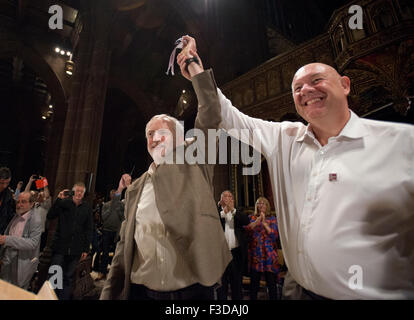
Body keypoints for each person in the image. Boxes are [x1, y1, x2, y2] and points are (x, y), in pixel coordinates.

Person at [177, 36, 414, 299]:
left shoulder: (402, 143)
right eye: (297, 88)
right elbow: (228, 116)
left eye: (316, 81)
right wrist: (195, 68)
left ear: (345, 85)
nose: (306, 91)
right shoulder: (284, 138)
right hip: (298, 290)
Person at [100, 66, 232, 300]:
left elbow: (211, 116)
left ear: (180, 140)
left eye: (160, 131)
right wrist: (108, 294)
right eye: (149, 134)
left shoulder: (195, 165)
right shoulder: (135, 189)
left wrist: (195, 70)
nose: (153, 138)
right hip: (142, 292)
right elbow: (123, 249)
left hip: (191, 293)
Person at [47, 182, 93, 300]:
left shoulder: (87, 208)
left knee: (68, 277)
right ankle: (51, 297)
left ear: (84, 194)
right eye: (77, 191)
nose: (79, 193)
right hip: (60, 247)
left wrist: (85, 249)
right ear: (72, 192)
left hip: (75, 249)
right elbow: (50, 215)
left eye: (81, 191)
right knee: (54, 274)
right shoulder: (64, 203)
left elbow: (88, 229)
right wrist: (58, 199)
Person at [0, 191, 42, 289]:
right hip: (8, 257)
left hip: (22, 260)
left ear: (31, 204)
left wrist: (7, 240)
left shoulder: (35, 219)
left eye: (23, 202)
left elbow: (33, 243)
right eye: (18, 202)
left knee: (17, 291)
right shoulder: (17, 215)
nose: (19, 205)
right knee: (4, 288)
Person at [244, 197, 281, 300]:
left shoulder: (272, 219)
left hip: (269, 255)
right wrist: (257, 221)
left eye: (263, 203)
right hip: (256, 254)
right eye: (258, 203)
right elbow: (247, 231)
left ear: (267, 206)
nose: (261, 205)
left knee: (271, 283)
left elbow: (274, 236)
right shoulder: (251, 217)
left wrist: (264, 223)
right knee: (254, 284)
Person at [95, 174, 130, 281]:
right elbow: (104, 218)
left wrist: (118, 210)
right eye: (113, 194)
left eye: (116, 194)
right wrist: (111, 208)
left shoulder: (121, 205)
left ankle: (114, 273)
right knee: (104, 252)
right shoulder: (105, 205)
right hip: (106, 231)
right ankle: (102, 272)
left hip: (116, 232)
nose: (114, 195)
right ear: (111, 196)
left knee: (116, 253)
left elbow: (123, 217)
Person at [217, 190, 249, 300]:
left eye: (230, 196)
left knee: (237, 283)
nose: (228, 198)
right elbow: (214, 222)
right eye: (225, 196)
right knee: (222, 285)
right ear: (221, 199)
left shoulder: (238, 211)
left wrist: (232, 210)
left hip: (236, 254)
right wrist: (224, 211)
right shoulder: (215, 211)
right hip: (220, 254)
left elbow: (246, 221)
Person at [24, 175, 52, 252]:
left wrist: (45, 184)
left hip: (40, 232)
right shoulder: (31, 204)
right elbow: (25, 194)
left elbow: (47, 196)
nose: (40, 194)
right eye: (38, 194)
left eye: (42, 194)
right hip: (28, 229)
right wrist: (30, 182)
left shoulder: (45, 206)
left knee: (36, 251)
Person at [0, 167, 15, 235]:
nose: (4, 186)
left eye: (7, 183)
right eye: (2, 183)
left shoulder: (8, 194)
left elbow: (10, 214)